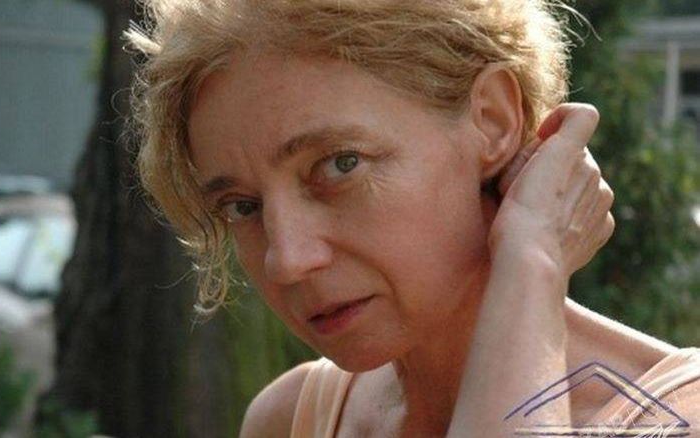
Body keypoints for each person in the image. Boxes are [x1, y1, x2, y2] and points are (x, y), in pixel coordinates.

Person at [126, 1, 700, 436]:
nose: (287, 260)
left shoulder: (673, 417)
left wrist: (532, 261)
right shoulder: (290, 419)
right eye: (242, 206)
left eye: (340, 164)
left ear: (493, 121)